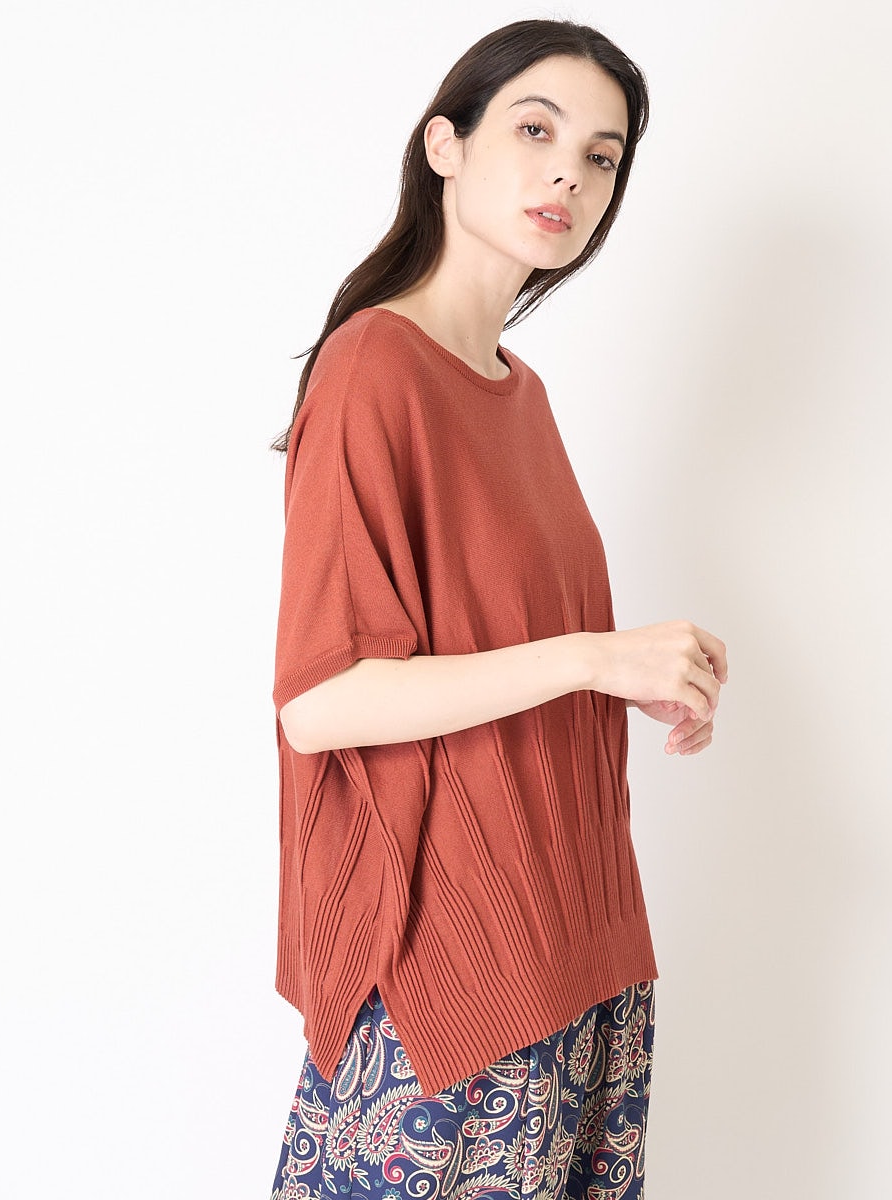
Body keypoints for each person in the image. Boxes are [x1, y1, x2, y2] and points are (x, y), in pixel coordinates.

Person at [269, 18, 727, 1200]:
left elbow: (500, 651)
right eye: (534, 130)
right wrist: (592, 658)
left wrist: (634, 678)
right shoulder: (373, 369)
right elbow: (322, 700)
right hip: (458, 973)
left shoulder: (520, 394)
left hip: (577, 942)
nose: (568, 173)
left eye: (600, 156)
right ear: (445, 146)